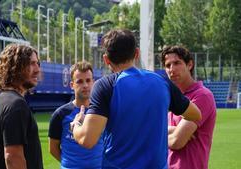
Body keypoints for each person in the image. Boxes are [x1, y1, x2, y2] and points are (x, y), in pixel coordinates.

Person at [70, 29, 202, 169]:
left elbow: (87, 139)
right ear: (137, 53)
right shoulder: (161, 82)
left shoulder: (105, 86)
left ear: (106, 59)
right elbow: (195, 114)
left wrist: (76, 126)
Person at [0, 44, 43, 169]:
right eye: (31, 63)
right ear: (16, 67)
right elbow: (12, 157)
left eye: (37, 63)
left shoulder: (0, 100)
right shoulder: (16, 105)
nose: (37, 69)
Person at [160, 45, 216, 169]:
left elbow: (177, 141)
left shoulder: (202, 95)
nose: (172, 69)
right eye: (168, 65)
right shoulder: (170, 97)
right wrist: (173, 130)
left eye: (177, 63)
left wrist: (153, 136)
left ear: (189, 65)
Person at [48, 61, 103, 169]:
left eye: (88, 80)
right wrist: (69, 164)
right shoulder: (60, 114)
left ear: (93, 82)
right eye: (80, 81)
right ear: (72, 85)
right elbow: (53, 148)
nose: (85, 85)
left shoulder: (102, 111)